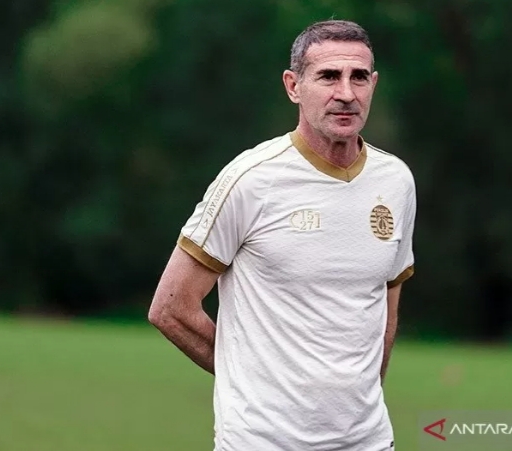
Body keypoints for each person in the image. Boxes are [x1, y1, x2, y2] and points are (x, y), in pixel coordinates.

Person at [148, 19, 416, 451]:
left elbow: (386, 305)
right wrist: (251, 379)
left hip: (368, 441)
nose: (346, 93)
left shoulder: (396, 181)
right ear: (293, 86)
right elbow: (171, 308)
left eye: (358, 77)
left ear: (373, 84)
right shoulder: (250, 179)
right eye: (328, 76)